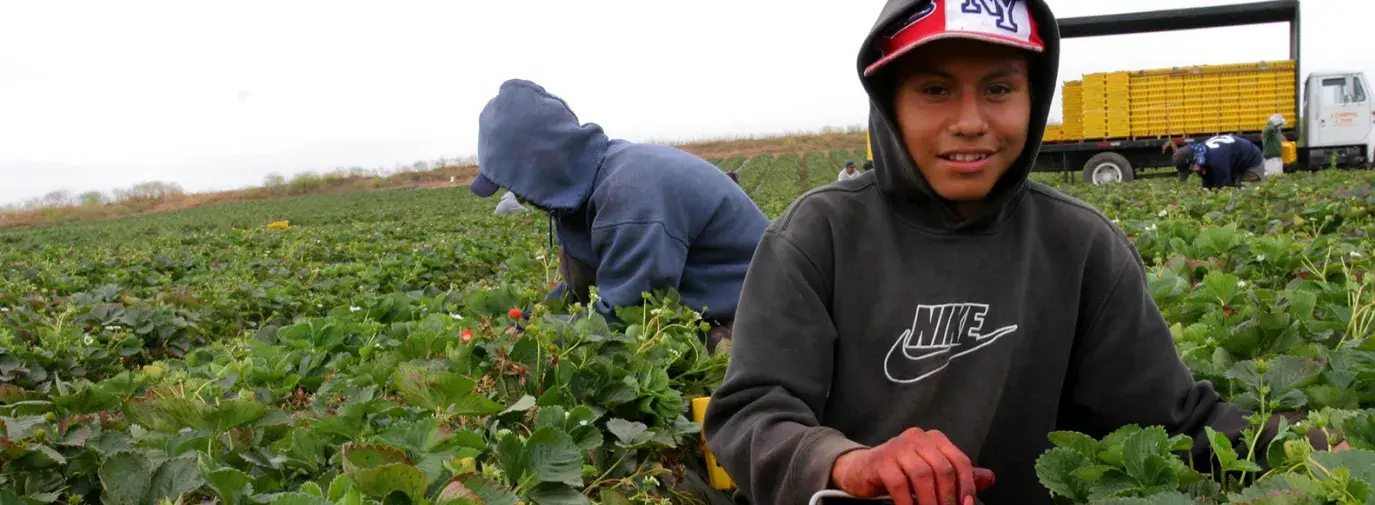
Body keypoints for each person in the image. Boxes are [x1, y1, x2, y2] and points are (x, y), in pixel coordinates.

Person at [702, 2, 1346, 505]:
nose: (971, 120)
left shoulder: (1080, 245)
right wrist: (847, 462)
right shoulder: (818, 235)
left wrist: (1321, 454)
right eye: (934, 89)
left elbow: (1175, 420)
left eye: (1000, 88)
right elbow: (752, 414)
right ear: (889, 101)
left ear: (1033, 100)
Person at [470, 79, 770, 353]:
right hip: (705, 307)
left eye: (512, 181)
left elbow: (622, 318)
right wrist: (528, 321)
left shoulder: (629, 194)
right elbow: (585, 288)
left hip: (759, 316)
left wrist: (531, 339)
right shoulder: (588, 187)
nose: (516, 194)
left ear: (536, 166)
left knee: (691, 355)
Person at [1168, 134, 1266, 189]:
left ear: (1195, 161)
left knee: (1247, 191)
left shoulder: (1216, 160)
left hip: (1251, 160)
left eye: (1190, 168)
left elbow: (1224, 186)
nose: (1192, 171)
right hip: (1233, 159)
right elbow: (1207, 179)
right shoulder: (1199, 151)